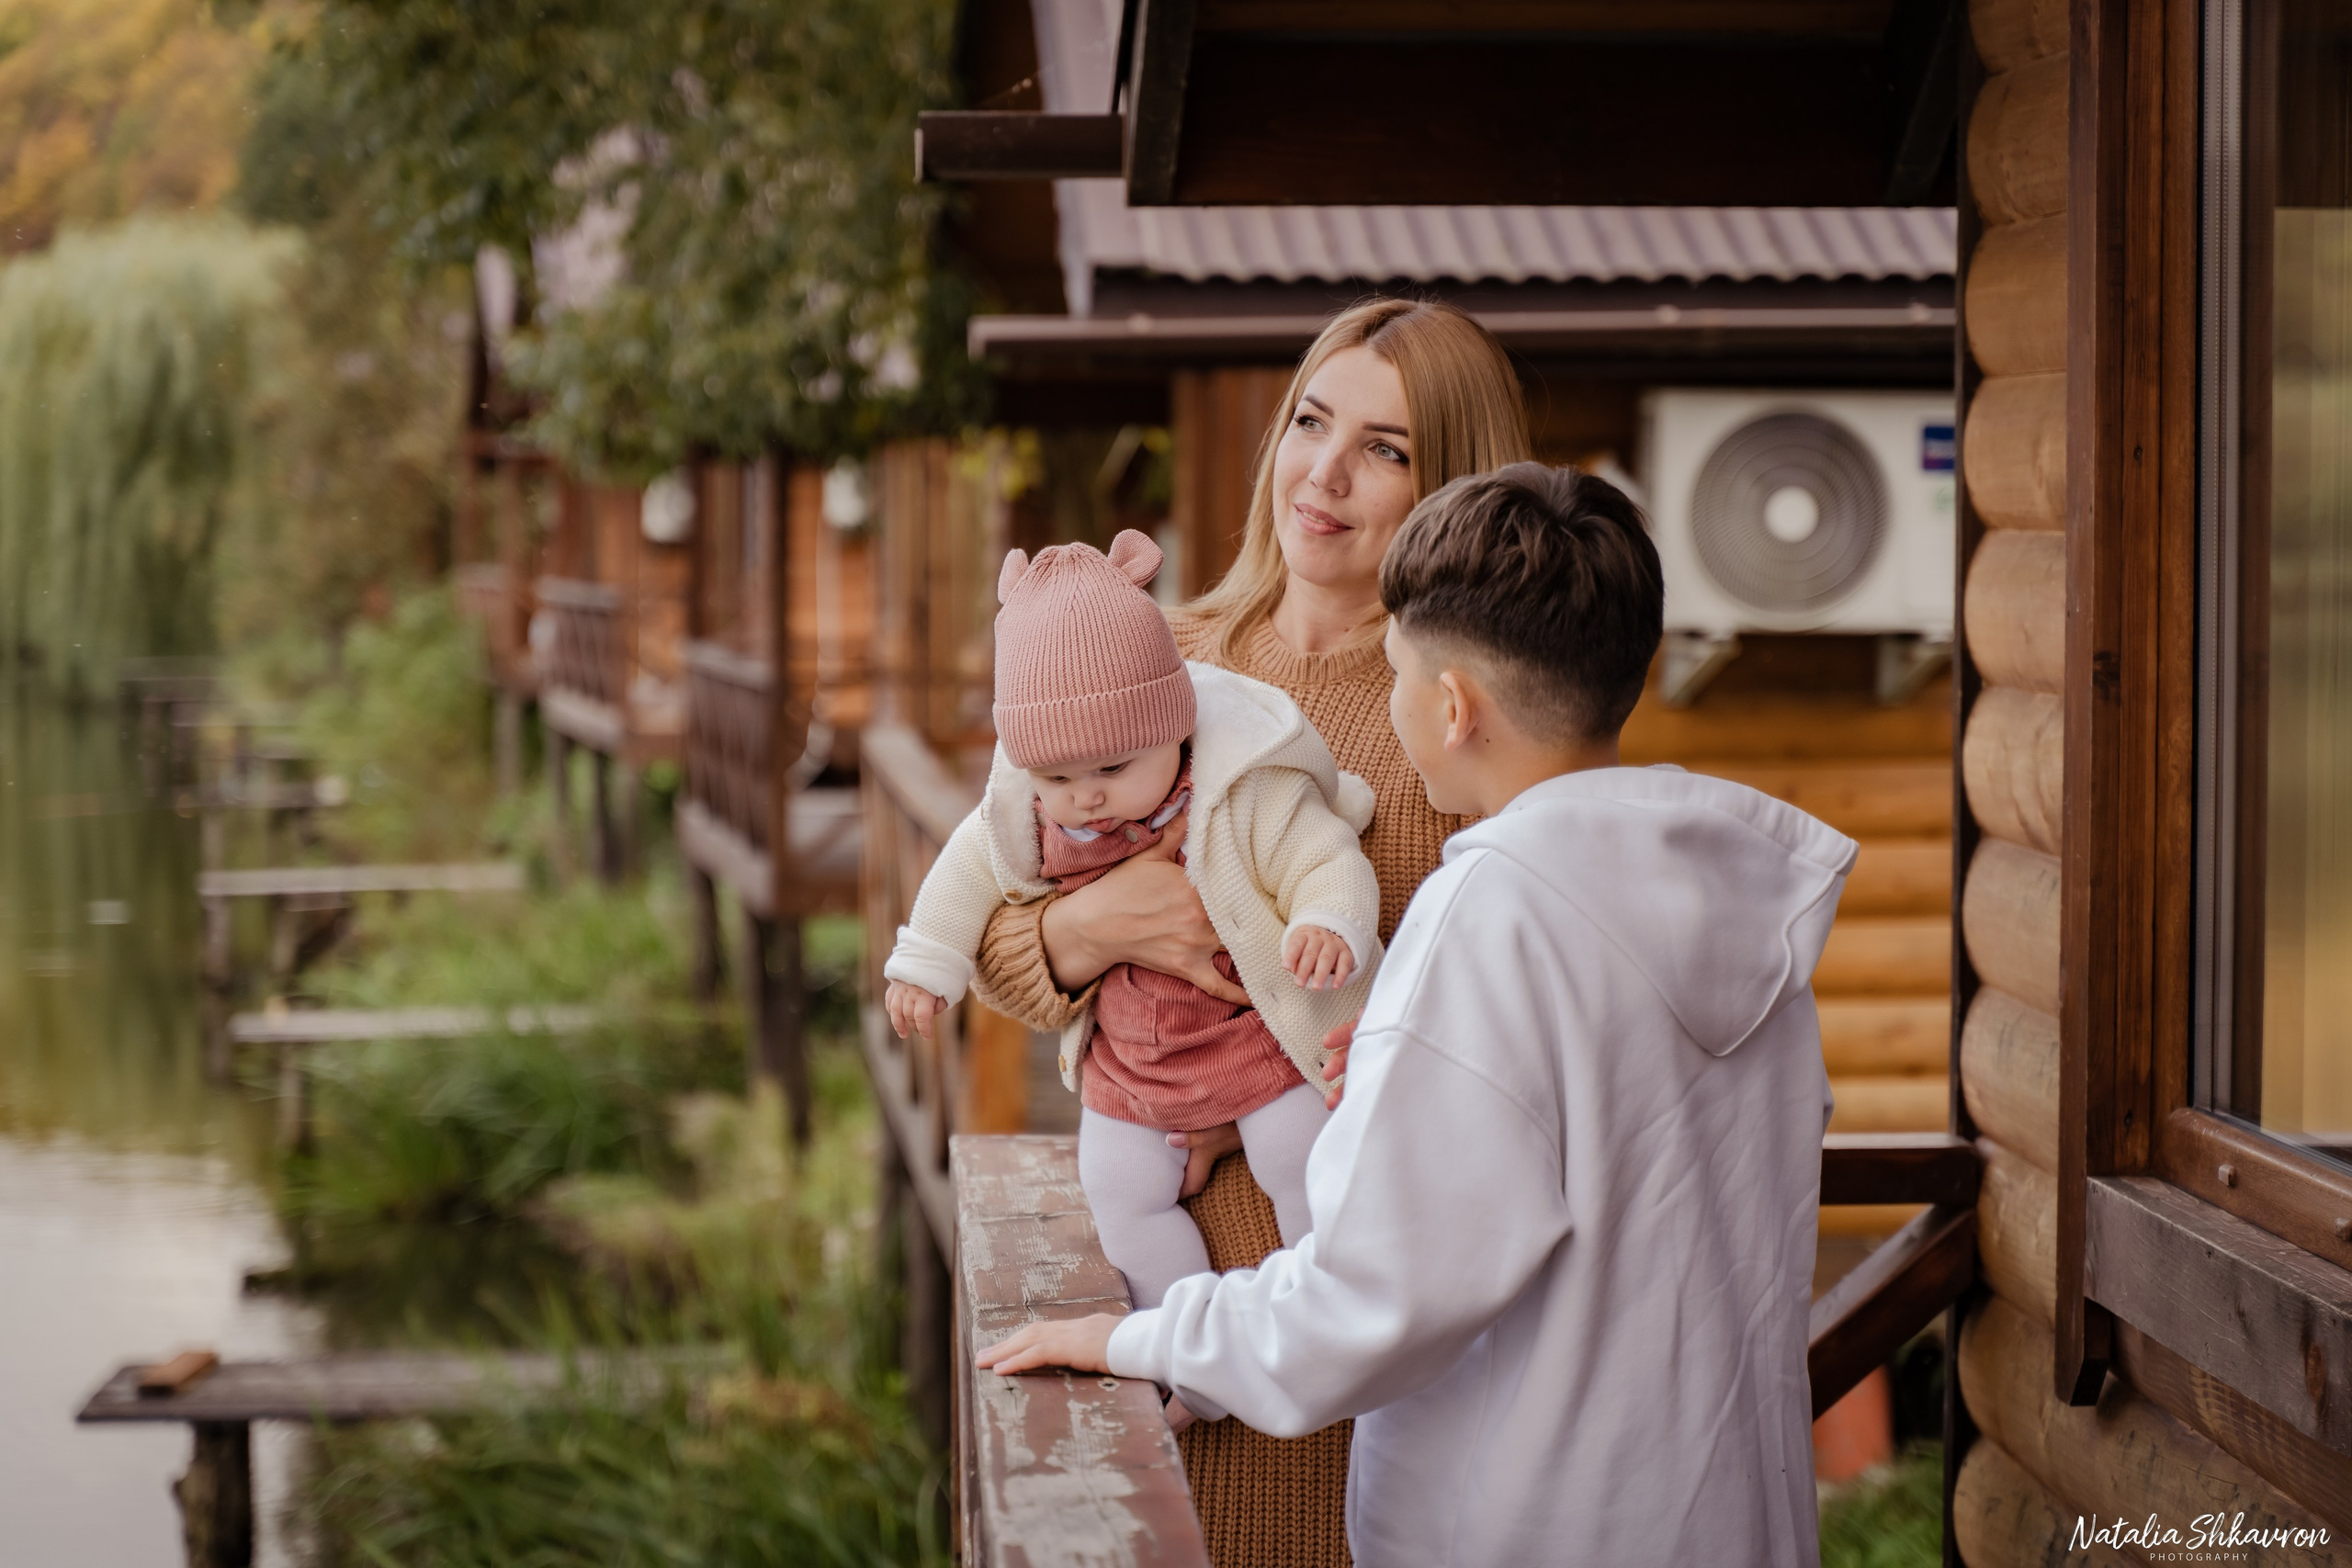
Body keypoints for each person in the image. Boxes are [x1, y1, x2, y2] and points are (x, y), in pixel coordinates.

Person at [978, 463, 1854, 1568]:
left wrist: (1142, 1337)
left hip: (1532, 1530)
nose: (1386, 708)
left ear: (1451, 709)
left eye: (1395, 673)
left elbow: (1372, 1291)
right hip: (1727, 1522)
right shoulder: (1744, 916)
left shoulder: (1487, 921)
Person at [963, 297, 1532, 1564]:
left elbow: (1503, 1013)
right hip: (1161, 1300)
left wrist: (1261, 1069)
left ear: (1451, 483)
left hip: (1357, 1298)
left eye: (1385, 448)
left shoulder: (1461, 717)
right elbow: (995, 923)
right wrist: (1091, 926)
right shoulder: (1156, 652)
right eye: (1311, 422)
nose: (1323, 472)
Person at [882, 530, 1383, 1317]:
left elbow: (1324, 854)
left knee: (1301, 1155)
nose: (1087, 796)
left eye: (1114, 768)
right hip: (1130, 1069)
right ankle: (1184, 1334)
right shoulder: (1035, 820)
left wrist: (1328, 918)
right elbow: (964, 871)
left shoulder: (1240, 789)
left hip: (1255, 1043)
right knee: (1119, 1195)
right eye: (1057, 776)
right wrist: (925, 960)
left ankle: (1325, 1313)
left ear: (1176, 727)